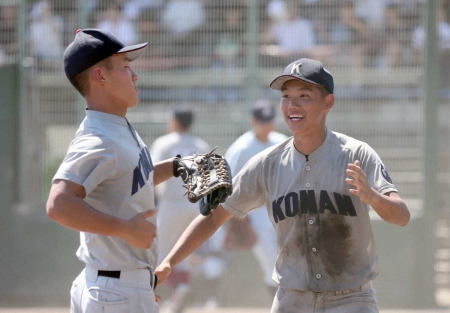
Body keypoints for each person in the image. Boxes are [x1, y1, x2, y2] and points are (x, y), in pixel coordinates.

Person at [155, 57, 411, 313]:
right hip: (291, 300)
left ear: (328, 102)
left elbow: (402, 216)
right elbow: (212, 218)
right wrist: (168, 262)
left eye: (304, 95)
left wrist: (375, 197)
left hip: (351, 299)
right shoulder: (266, 163)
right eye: (286, 96)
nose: (292, 104)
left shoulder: (357, 154)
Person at [45, 28, 179, 313]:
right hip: (115, 289)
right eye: (126, 67)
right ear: (101, 76)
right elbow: (58, 203)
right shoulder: (99, 138)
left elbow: (129, 181)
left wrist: (178, 167)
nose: (135, 76)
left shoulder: (114, 126)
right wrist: (126, 230)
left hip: (117, 286)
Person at [150, 105, 226, 312]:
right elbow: (211, 182)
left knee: (162, 252)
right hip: (195, 206)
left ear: (174, 120)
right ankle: (179, 294)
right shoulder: (199, 144)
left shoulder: (164, 143)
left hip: (170, 205)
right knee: (182, 252)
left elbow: (151, 176)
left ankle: (178, 288)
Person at [224, 100, 288, 297]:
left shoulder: (282, 142)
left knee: (289, 264)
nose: (267, 125)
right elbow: (228, 183)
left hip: (284, 210)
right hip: (255, 214)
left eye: (269, 121)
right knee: (272, 266)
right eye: (263, 121)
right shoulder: (242, 148)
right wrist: (238, 217)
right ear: (253, 121)